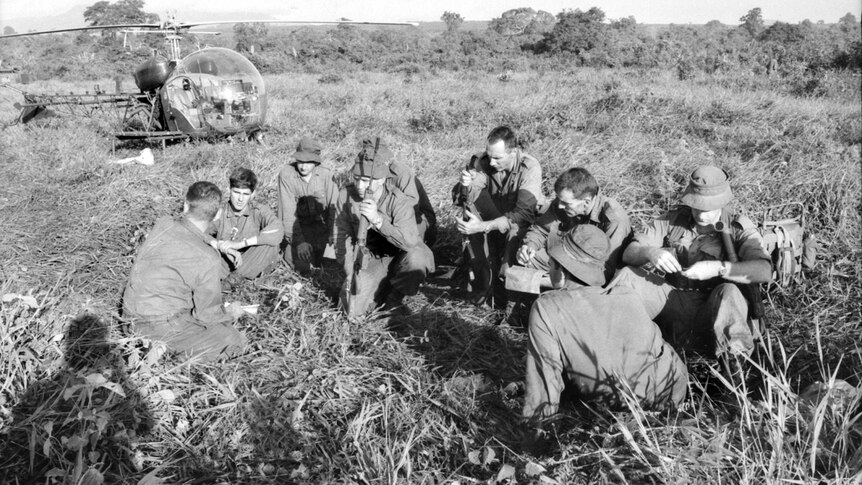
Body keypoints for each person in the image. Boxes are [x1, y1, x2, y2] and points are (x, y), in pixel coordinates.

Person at [522, 225, 687, 444]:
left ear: (561, 271)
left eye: (551, 265)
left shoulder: (546, 307)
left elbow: (544, 377)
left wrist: (536, 437)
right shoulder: (627, 292)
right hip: (670, 390)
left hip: (614, 401)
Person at [610, 165, 772, 359]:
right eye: (697, 206)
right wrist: (650, 252)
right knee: (627, 277)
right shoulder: (672, 221)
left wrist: (717, 269)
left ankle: (736, 374)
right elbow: (629, 253)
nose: (702, 215)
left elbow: (764, 270)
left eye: (709, 209)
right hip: (675, 302)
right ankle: (617, 353)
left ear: (721, 203)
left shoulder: (737, 227)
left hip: (715, 308)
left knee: (730, 293)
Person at [123, 181, 247, 362]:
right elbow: (207, 315)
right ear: (218, 214)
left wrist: (214, 243)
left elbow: (188, 230)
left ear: (185, 204)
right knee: (233, 340)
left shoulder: (163, 223)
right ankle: (165, 353)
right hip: (158, 327)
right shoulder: (208, 258)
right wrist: (230, 313)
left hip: (128, 317)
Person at [333, 142, 435, 317]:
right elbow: (339, 235)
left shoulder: (398, 201)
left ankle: (394, 299)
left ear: (381, 180)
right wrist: (351, 272)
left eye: (365, 181)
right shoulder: (345, 196)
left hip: (401, 255)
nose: (359, 186)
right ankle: (379, 286)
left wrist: (378, 220)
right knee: (349, 309)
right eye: (356, 179)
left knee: (417, 257)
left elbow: (409, 242)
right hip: (372, 257)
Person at [453, 125, 543, 308]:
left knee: (514, 240)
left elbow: (523, 214)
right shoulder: (483, 161)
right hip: (498, 214)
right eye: (489, 155)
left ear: (514, 152)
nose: (492, 162)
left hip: (522, 221)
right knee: (470, 212)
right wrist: (466, 185)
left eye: (497, 158)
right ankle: (479, 277)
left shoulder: (529, 167)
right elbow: (467, 197)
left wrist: (485, 226)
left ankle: (511, 301)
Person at [517, 167, 632, 285]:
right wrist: (529, 246)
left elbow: (605, 270)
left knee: (528, 280)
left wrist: (550, 281)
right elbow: (540, 229)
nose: (560, 206)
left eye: (566, 203)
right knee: (527, 259)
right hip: (564, 258)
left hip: (591, 272)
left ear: (586, 201)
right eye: (559, 199)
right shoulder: (562, 203)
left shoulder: (613, 220)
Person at [358, 138, 438, 246]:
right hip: (388, 217)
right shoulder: (364, 173)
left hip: (416, 218)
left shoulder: (401, 173)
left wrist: (379, 218)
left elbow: (412, 206)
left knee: (411, 246)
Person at [277, 136, 340, 273]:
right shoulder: (286, 175)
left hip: (323, 229)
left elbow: (334, 208)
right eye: (300, 161)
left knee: (334, 264)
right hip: (300, 229)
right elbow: (287, 214)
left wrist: (332, 233)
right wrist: (299, 242)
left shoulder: (326, 174)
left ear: (316, 162)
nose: (303, 166)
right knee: (299, 265)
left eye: (308, 162)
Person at [214, 168, 284, 289]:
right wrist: (224, 247)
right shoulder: (219, 211)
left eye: (245, 194)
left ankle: (233, 281)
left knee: (270, 243)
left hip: (253, 262)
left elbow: (278, 229)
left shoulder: (259, 210)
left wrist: (240, 244)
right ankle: (233, 282)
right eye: (236, 192)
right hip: (227, 264)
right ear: (229, 190)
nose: (240, 199)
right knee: (205, 250)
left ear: (253, 194)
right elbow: (199, 234)